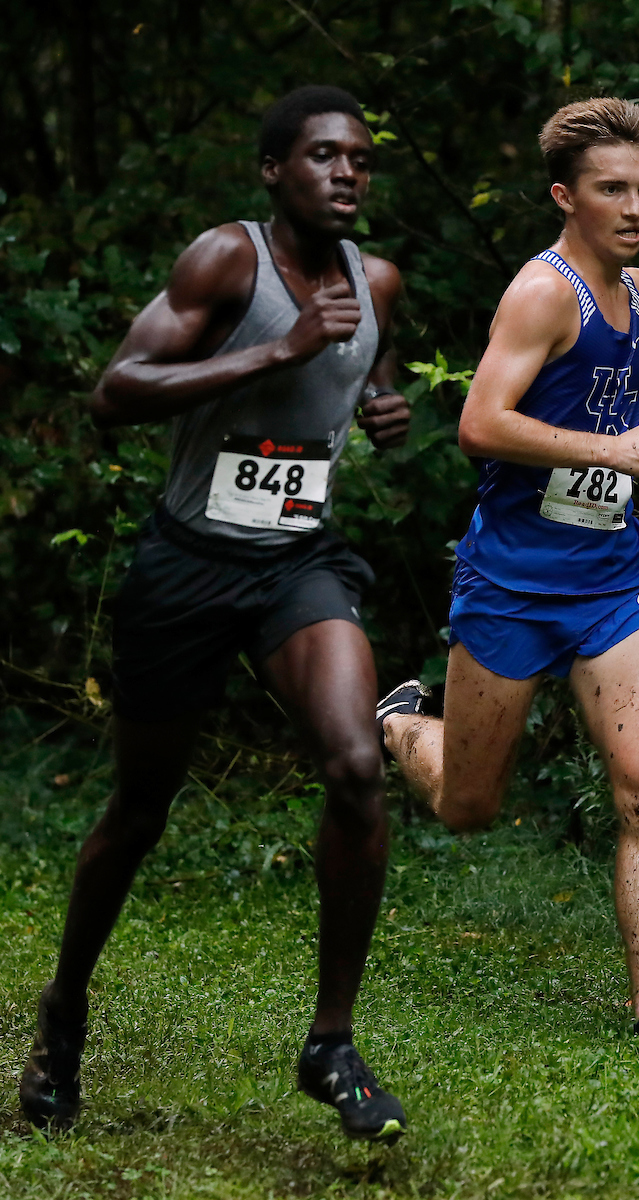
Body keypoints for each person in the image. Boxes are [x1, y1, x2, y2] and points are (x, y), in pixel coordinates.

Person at [21, 85, 410, 1141]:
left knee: (353, 768)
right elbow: (118, 388)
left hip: (296, 563)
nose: (346, 174)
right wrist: (271, 354)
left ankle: (329, 1041)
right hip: (188, 563)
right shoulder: (224, 262)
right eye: (324, 156)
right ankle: (63, 1013)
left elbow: (361, 370)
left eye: (361, 161)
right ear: (274, 170)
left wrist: (380, 407)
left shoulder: (376, 280)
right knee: (137, 814)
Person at [377, 97, 639, 1048]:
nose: (633, 208)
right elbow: (479, 424)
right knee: (468, 806)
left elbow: (616, 396)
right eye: (610, 190)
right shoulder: (541, 294)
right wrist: (619, 455)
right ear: (564, 197)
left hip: (608, 580)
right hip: (512, 584)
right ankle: (396, 725)